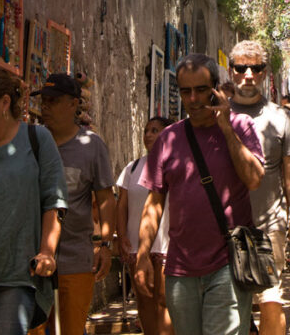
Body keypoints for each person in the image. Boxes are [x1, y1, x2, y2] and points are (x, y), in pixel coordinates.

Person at [135, 53, 264, 335]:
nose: (193, 99)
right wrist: (143, 254)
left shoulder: (242, 127)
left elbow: (254, 179)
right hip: (180, 269)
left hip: (227, 264)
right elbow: (154, 203)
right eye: (186, 91)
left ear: (217, 89)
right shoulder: (169, 139)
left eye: (201, 90)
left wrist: (227, 129)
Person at [229, 40, 290, 335]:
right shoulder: (215, 117)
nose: (248, 74)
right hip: (223, 228)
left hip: (268, 227)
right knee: (230, 305)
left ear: (265, 73)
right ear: (231, 71)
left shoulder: (280, 117)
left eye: (256, 68)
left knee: (270, 299)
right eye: (241, 68)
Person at [30, 72, 115, 335]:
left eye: (53, 101)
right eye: (43, 100)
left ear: (73, 104)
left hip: (75, 261)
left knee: (69, 329)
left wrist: (105, 245)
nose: (45, 106)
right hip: (32, 261)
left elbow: (105, 198)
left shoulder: (91, 146)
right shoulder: (31, 141)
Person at [0, 66, 67, 334]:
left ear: (4, 102)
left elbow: (54, 200)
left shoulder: (36, 139)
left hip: (17, 274)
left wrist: (47, 251)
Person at [116, 117, 173, 335]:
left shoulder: (175, 166)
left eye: (155, 130)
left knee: (164, 300)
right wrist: (121, 236)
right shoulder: (132, 168)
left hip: (166, 245)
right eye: (147, 130)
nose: (148, 134)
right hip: (135, 247)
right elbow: (121, 205)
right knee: (144, 300)